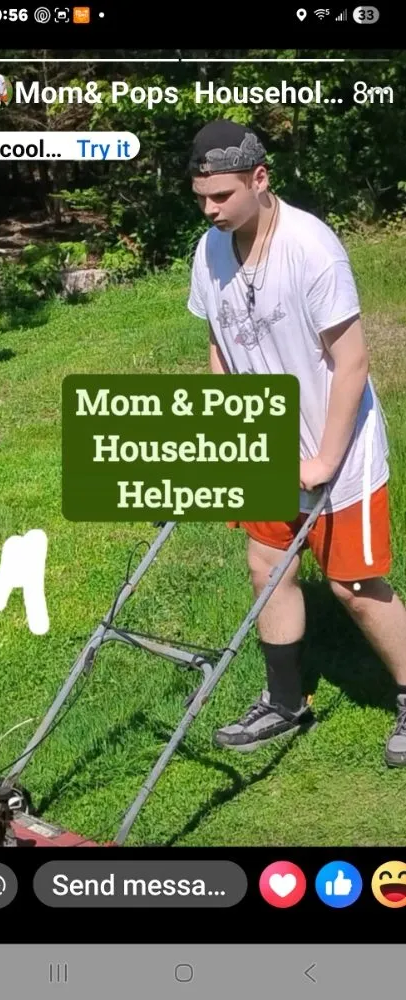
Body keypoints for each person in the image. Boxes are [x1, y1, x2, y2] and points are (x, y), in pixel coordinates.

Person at [187, 118, 406, 767]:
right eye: (201, 197)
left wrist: (321, 461)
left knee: (354, 588)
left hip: (338, 447)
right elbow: (219, 346)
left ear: (260, 179)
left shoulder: (311, 248)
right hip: (267, 443)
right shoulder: (210, 249)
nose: (209, 209)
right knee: (267, 567)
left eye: (221, 196)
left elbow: (353, 363)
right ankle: (285, 702)